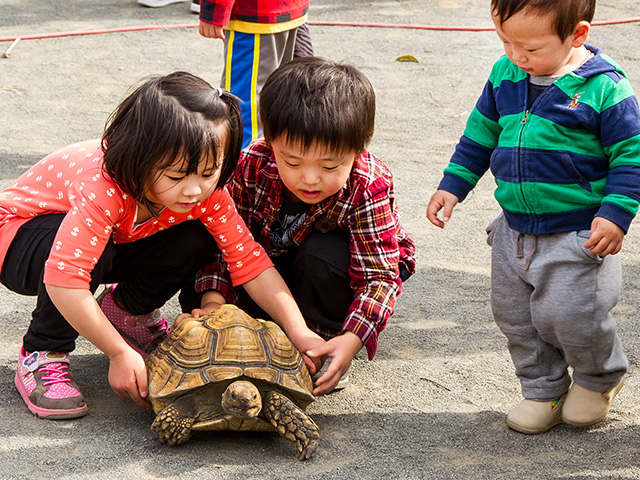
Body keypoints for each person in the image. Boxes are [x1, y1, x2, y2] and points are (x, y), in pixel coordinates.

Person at [1, 71, 326, 420]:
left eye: (207, 173)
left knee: (199, 239)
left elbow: (249, 261)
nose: (193, 190)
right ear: (140, 157)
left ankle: (127, 311)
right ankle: (43, 352)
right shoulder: (103, 186)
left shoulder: (206, 193)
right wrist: (116, 354)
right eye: (176, 176)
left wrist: (299, 332)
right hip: (19, 240)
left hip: (105, 242)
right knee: (86, 254)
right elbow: (66, 281)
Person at [427, 0, 640, 434]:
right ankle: (543, 389)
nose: (516, 56)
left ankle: (598, 379)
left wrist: (615, 214)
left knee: (572, 315)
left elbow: (630, 155)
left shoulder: (605, 88)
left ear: (577, 35)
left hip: (577, 232)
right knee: (516, 317)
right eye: (506, 42)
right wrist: (452, 185)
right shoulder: (506, 75)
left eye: (531, 48)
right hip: (513, 229)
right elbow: (480, 133)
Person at [181, 57, 416, 395]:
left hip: (328, 272)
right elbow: (224, 244)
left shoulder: (369, 184)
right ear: (270, 139)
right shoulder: (252, 163)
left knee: (323, 253)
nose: (309, 179)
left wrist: (352, 341)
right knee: (198, 269)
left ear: (358, 149)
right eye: (291, 161)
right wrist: (214, 306)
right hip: (265, 268)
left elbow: (378, 277)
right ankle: (274, 330)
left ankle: (324, 342)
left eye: (330, 165)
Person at [197, 0, 312, 148]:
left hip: (256, 15)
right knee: (292, 98)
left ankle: (243, 167)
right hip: (292, 10)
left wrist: (214, 11)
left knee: (246, 109)